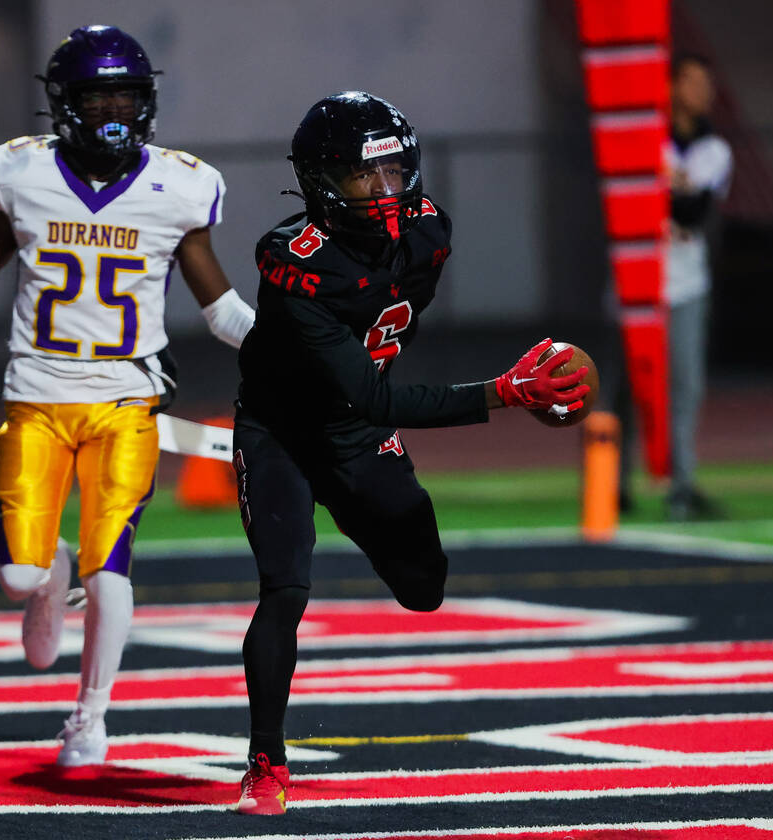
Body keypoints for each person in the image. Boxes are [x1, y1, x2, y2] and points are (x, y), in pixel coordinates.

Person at [0, 25, 254, 767]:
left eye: (126, 94)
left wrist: (300, 353)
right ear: (64, 105)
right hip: (36, 393)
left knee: (109, 564)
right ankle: (49, 583)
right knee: (19, 575)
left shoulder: (177, 185)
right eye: (96, 96)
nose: (113, 109)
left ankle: (90, 718)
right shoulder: (20, 174)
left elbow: (220, 310)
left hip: (128, 395)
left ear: (147, 102)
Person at [229, 91, 590, 815]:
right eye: (367, 177)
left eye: (395, 171)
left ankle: (363, 509)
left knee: (424, 588)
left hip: (358, 432)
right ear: (322, 182)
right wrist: (504, 391)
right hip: (285, 433)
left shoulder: (428, 231)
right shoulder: (296, 266)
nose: (387, 191)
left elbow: (390, 331)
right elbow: (378, 398)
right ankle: (266, 762)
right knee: (286, 590)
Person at [663, 52, 732, 521]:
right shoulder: (647, 140)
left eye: (705, 83)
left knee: (685, 385)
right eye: (691, 81)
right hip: (636, 280)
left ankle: (682, 485)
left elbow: (691, 212)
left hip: (686, 280)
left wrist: (667, 185)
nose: (700, 91)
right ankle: (615, 485)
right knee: (627, 388)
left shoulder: (715, 150)